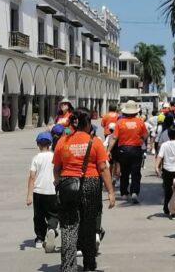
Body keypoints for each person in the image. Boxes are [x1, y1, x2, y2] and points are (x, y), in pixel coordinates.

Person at [52, 108, 116, 272]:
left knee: (68, 227)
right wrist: (110, 192)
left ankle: (68, 267)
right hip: (91, 184)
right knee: (89, 225)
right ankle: (89, 263)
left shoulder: (63, 141)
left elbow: (57, 168)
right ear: (87, 123)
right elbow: (103, 168)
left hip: (68, 184)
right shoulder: (94, 142)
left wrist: (58, 182)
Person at [107, 100, 148, 203]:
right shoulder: (140, 122)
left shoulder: (120, 122)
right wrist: (141, 140)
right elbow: (145, 135)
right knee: (136, 172)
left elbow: (114, 138)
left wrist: (108, 150)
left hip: (123, 150)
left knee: (124, 172)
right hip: (136, 149)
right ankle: (134, 192)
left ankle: (124, 193)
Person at [27, 131, 60, 252]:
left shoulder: (36, 158)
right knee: (53, 214)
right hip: (52, 191)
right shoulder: (55, 156)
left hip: (38, 191)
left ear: (38, 144)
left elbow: (32, 177)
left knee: (39, 216)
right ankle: (51, 229)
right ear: (50, 144)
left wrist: (29, 195)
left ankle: (39, 239)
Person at [155, 125, 175, 219]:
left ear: (168, 134)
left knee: (167, 190)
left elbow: (160, 156)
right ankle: (174, 211)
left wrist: (156, 167)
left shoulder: (165, 145)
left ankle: (166, 208)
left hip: (167, 170)